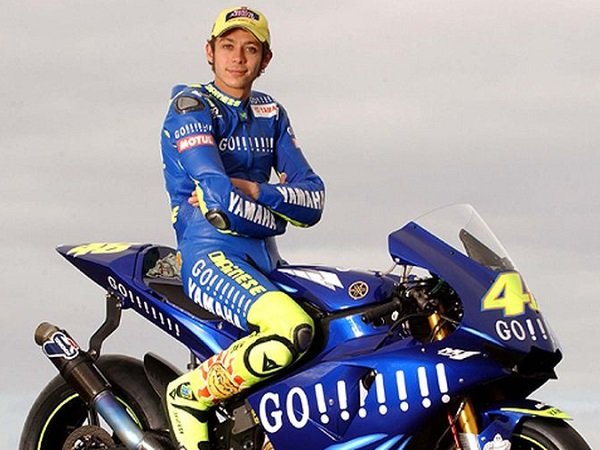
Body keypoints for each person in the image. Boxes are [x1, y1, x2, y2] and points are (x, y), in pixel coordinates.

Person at [159, 6, 325, 449]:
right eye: (228, 46)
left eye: (250, 49)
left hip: (267, 263)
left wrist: (253, 190)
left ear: (265, 60)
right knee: (292, 330)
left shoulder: (272, 112)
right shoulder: (190, 106)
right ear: (209, 52)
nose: (237, 58)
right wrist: (278, 212)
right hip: (209, 256)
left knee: (337, 334)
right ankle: (188, 397)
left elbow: (315, 200)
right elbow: (217, 200)